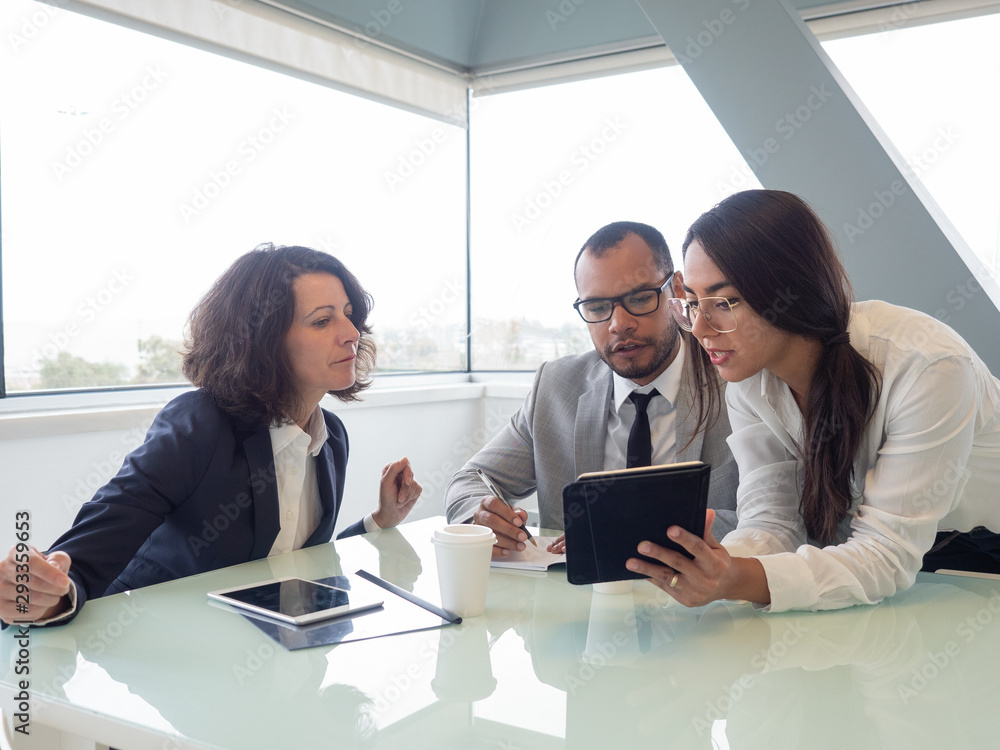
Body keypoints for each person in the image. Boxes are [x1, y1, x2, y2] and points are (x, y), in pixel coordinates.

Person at [0, 244, 422, 626]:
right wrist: (47, 591)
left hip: (256, 657)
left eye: (348, 314)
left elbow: (299, 565)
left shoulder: (331, 440)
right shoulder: (200, 423)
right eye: (322, 320)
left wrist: (380, 521)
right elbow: (107, 528)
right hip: (156, 650)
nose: (351, 332)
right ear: (264, 342)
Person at [628, 189, 1000, 612]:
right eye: (692, 303)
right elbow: (773, 520)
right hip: (872, 568)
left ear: (789, 290)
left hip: (980, 563)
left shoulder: (926, 365)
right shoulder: (749, 379)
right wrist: (720, 565)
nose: (699, 328)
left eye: (723, 302)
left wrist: (740, 579)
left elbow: (887, 555)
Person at [445, 221, 739, 556]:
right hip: (579, 604)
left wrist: (632, 530)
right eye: (598, 308)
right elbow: (469, 480)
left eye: (640, 299)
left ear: (678, 290)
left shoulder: (734, 380)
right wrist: (480, 516)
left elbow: (772, 519)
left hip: (701, 605)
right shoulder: (556, 388)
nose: (618, 324)